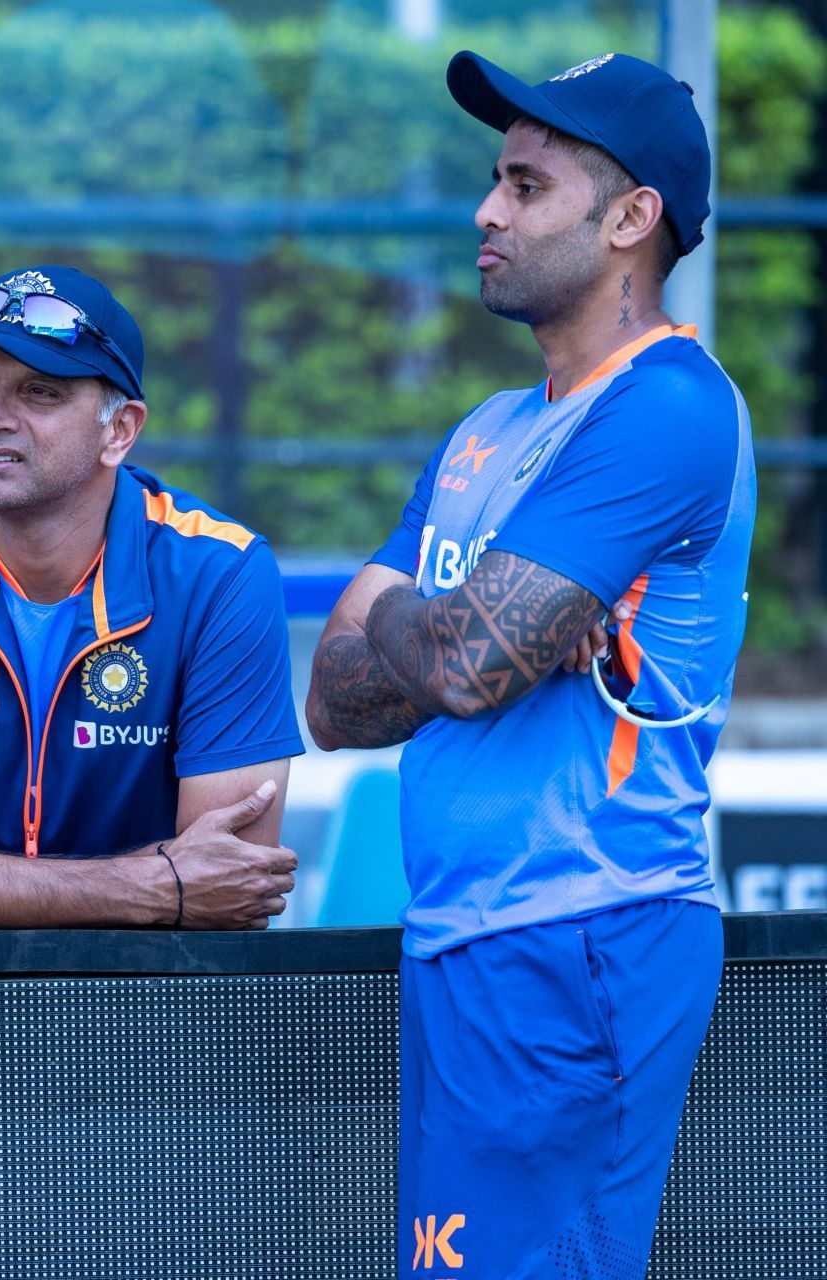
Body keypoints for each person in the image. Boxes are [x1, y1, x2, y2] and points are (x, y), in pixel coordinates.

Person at [305, 53, 754, 1278]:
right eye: (493, 181)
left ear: (630, 219)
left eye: (524, 184)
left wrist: (434, 619)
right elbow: (333, 698)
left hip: (580, 934)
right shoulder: (484, 432)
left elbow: (454, 666)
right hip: (472, 939)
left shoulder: (672, 406)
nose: (485, 211)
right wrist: (461, 628)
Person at [0, 265, 305, 937]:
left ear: (120, 431)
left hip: (162, 1000)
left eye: (39, 392)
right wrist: (160, 885)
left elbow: (233, 887)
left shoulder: (222, 573)